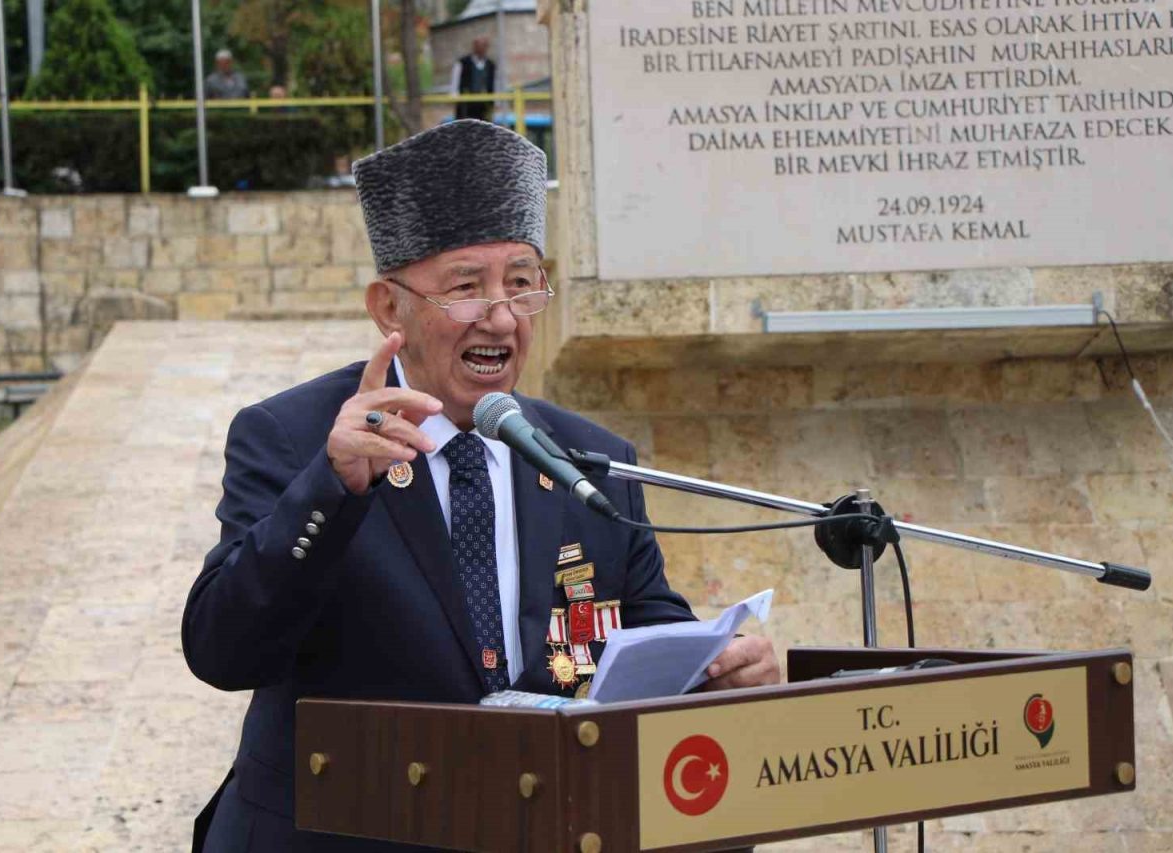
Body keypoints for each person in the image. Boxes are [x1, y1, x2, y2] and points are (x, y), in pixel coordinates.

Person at [182, 120, 779, 852]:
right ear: (388, 308)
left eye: (522, 283)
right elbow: (222, 651)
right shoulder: (296, 438)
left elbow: (647, 638)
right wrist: (330, 489)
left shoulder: (589, 458)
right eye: (466, 287)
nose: (500, 315)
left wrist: (717, 672)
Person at [449, 36, 495, 121]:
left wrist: (495, 101)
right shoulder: (463, 62)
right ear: (474, 47)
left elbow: (494, 83)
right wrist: (454, 96)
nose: (481, 49)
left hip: (484, 104)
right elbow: (455, 80)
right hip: (466, 104)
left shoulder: (491, 64)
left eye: (484, 46)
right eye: (479, 45)